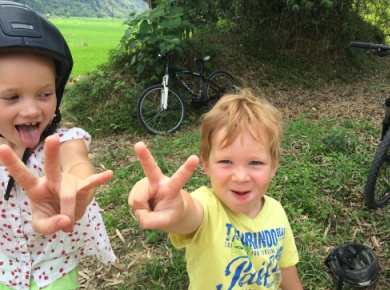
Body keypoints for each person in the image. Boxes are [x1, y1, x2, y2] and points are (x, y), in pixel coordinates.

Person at [129, 88, 303, 289]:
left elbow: (287, 272)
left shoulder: (277, 212)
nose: (240, 177)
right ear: (206, 164)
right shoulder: (207, 207)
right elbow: (189, 213)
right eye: (226, 161)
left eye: (255, 162)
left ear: (273, 166)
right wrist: (176, 207)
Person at [0, 1, 116, 289]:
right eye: (11, 97)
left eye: (44, 94)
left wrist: (75, 188)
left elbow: (78, 164)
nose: (31, 111)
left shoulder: (62, 140)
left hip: (53, 275)